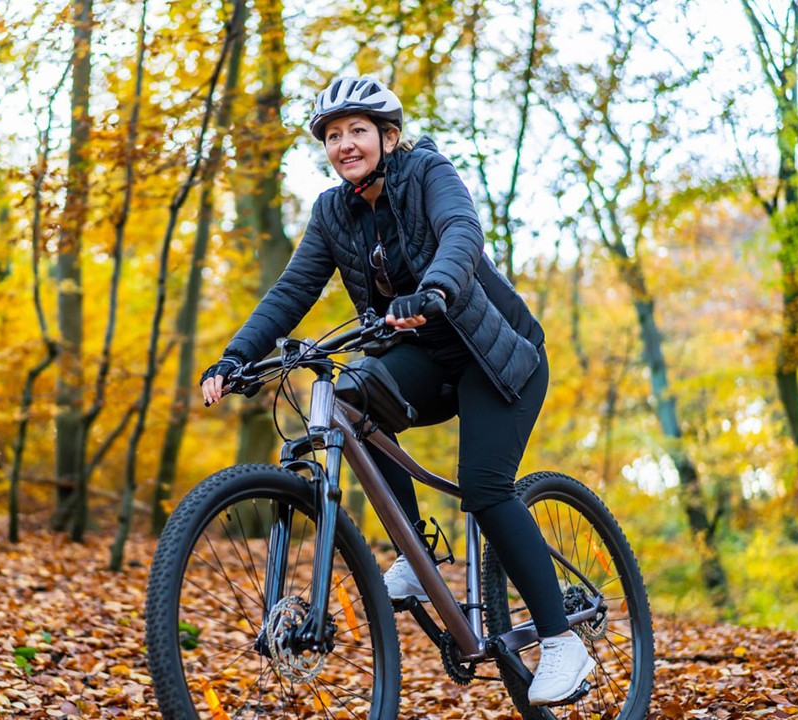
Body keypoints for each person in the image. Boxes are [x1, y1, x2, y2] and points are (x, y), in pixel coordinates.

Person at [200, 75, 595, 706]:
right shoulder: (332, 211)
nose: (345, 144)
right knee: (352, 397)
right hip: (425, 359)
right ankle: (415, 551)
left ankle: (561, 641)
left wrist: (434, 289)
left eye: (357, 130)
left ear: (388, 136)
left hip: (496, 358)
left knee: (486, 489)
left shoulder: (428, 174)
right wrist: (237, 356)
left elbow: (462, 234)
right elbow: (292, 290)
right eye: (333, 135)